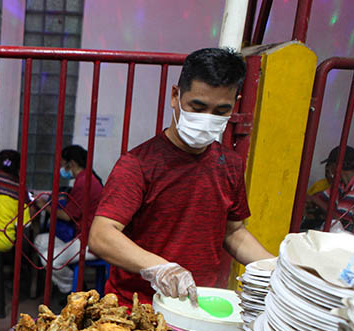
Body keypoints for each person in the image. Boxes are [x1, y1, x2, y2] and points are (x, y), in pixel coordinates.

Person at [89, 48, 274, 306]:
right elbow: (101, 235)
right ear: (175, 96)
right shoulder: (138, 165)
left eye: (220, 111)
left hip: (198, 306)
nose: (206, 119)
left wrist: (273, 268)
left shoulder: (230, 165)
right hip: (137, 308)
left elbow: (234, 233)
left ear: (235, 103)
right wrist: (160, 268)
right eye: (197, 107)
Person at [33, 145, 103, 293]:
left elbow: (67, 215)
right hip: (80, 235)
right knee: (41, 240)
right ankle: (74, 282)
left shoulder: (85, 182)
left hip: (90, 241)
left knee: (49, 259)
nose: (62, 168)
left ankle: (72, 289)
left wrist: (44, 206)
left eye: (63, 164)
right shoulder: (85, 179)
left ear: (71, 163)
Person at [306, 145, 354, 231]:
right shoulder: (342, 184)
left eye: (328, 166)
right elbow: (321, 198)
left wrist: (315, 200)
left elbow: (341, 221)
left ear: (334, 166)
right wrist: (311, 201)